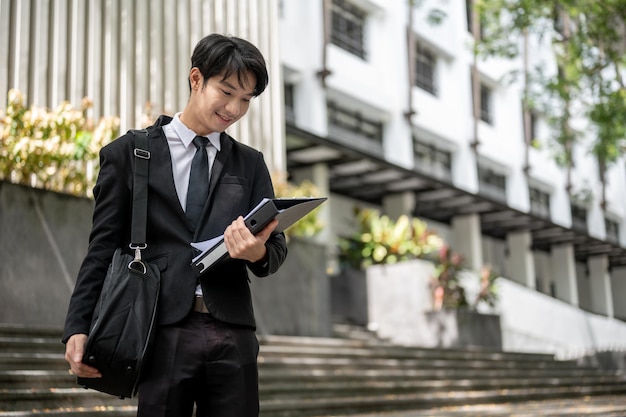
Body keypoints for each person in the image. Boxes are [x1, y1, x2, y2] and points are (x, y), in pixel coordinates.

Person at [62, 33, 288, 417]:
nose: (234, 109)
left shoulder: (249, 163)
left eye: (246, 100)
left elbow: (276, 248)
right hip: (160, 328)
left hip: (233, 332)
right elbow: (101, 247)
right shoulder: (130, 154)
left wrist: (259, 251)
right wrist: (77, 327)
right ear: (196, 79)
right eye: (227, 91)